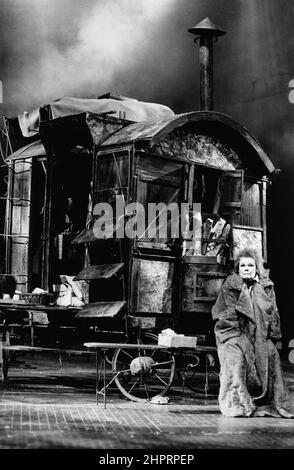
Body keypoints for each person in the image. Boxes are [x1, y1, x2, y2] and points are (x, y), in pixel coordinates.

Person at [212, 248, 294, 418]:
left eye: (250, 265)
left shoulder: (266, 286)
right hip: (234, 333)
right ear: (238, 268)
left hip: (260, 334)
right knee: (236, 357)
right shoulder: (231, 285)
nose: (247, 268)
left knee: (271, 354)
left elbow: (273, 313)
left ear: (257, 267)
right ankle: (238, 402)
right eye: (243, 265)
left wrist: (269, 336)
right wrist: (238, 338)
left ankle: (270, 401)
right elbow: (227, 314)